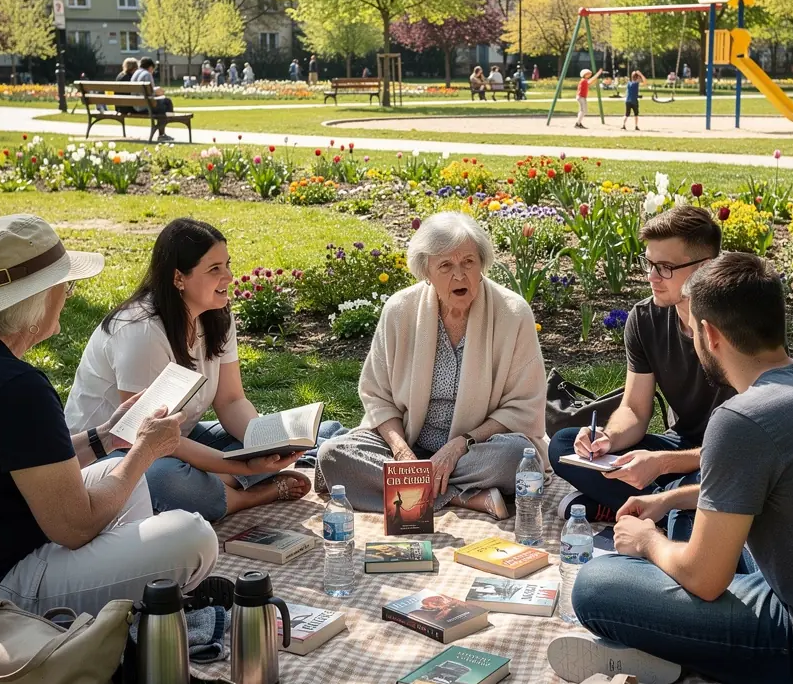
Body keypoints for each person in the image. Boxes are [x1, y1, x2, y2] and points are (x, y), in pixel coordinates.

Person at [549, 254, 793, 684]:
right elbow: (781, 493)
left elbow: (704, 578)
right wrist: (670, 502)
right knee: (685, 516)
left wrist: (646, 541)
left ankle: (661, 642)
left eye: (691, 329)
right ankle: (676, 620)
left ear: (711, 334)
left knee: (597, 586)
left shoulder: (742, 418)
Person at [0, 215, 219, 641]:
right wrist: (144, 451)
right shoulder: (15, 387)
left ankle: (124, 586)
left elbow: (29, 463)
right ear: (38, 298)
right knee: (194, 537)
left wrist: (107, 437)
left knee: (129, 483)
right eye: (66, 285)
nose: (68, 295)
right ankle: (130, 603)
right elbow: (74, 527)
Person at [65, 218, 338, 522]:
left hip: (179, 438)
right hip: (118, 456)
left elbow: (231, 401)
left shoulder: (216, 314)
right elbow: (147, 439)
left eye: (227, 265)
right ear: (179, 278)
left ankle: (219, 482)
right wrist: (242, 467)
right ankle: (248, 495)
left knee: (302, 434)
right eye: (214, 269)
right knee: (167, 481)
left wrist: (263, 445)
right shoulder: (140, 332)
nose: (229, 277)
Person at [316, 212, 546, 520]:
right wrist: (402, 455)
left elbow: (523, 406)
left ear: (482, 265)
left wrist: (458, 447)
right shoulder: (399, 310)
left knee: (516, 458)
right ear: (426, 271)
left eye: (468, 262)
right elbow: (377, 397)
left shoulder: (514, 313)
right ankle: (463, 499)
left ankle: (410, 493)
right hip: (410, 443)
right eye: (446, 266)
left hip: (477, 449)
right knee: (332, 454)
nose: (460, 276)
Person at [549, 207, 731, 523]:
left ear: (705, 268)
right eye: (648, 264)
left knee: (724, 483)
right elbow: (634, 409)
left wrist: (661, 464)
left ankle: (646, 506)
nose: (651, 277)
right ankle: (667, 508)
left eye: (665, 267)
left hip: (730, 455)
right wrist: (607, 439)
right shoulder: (646, 319)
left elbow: (748, 449)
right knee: (564, 446)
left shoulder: (736, 324)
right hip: (682, 443)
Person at [130, 57, 175, 141]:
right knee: (167, 102)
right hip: (145, 106)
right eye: (152, 69)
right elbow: (150, 93)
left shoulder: (136, 73)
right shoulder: (147, 74)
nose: (152, 71)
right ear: (150, 67)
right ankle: (163, 131)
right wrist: (158, 92)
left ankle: (163, 129)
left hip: (136, 105)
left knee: (162, 105)